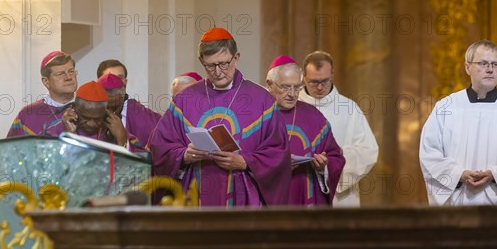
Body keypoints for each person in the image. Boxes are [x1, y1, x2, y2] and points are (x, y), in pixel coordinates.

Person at [149, 27, 291, 207]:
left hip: (244, 199)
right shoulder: (185, 99)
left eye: (224, 63)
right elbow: (159, 148)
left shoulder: (262, 100)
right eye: (210, 65)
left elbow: (279, 154)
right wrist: (184, 155)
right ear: (201, 61)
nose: (217, 72)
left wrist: (245, 161)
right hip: (194, 197)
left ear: (236, 58)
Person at [419, 40, 497, 206]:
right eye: (483, 63)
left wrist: (496, 174)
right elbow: (429, 153)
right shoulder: (446, 107)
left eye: (495, 64)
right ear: (467, 67)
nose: (490, 69)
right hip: (457, 204)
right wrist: (458, 174)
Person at [298, 51, 378, 207]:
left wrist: (331, 163)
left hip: (339, 198)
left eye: (325, 81)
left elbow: (368, 151)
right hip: (300, 187)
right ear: (304, 77)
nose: (320, 87)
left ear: (332, 75)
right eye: (314, 82)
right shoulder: (292, 106)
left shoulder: (348, 108)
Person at [266, 55, 345, 206]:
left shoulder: (314, 117)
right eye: (285, 86)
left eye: (297, 87)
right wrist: (274, 166)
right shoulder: (257, 116)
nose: (292, 93)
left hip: (304, 198)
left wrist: (323, 168)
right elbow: (243, 160)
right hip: (267, 201)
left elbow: (336, 157)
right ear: (269, 84)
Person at [7, 51, 77, 137]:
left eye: (71, 71)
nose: (69, 77)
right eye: (60, 74)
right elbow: (12, 149)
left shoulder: (88, 108)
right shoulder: (28, 114)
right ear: (46, 81)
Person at [96, 73, 161, 152]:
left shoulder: (143, 117)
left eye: (113, 108)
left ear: (122, 97)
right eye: (104, 107)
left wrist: (124, 140)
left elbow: (154, 155)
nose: (109, 112)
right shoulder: (91, 115)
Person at [60, 81, 127, 145]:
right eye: (85, 117)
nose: (91, 124)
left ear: (105, 113)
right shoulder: (57, 129)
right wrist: (70, 135)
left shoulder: (116, 132)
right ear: (74, 107)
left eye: (97, 119)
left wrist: (122, 139)